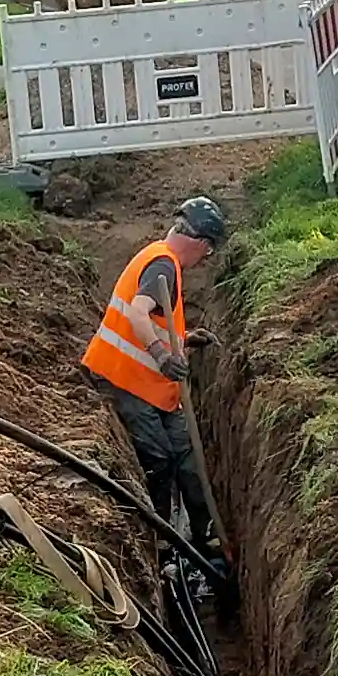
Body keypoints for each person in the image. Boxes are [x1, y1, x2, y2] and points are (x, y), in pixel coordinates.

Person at [82, 196, 230, 553]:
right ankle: (161, 540)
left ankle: (204, 534)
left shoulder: (161, 259)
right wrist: (162, 355)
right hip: (124, 378)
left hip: (152, 387)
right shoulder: (163, 265)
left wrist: (181, 340)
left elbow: (155, 320)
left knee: (187, 456)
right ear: (200, 243)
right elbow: (137, 314)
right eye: (207, 252)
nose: (203, 260)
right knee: (159, 460)